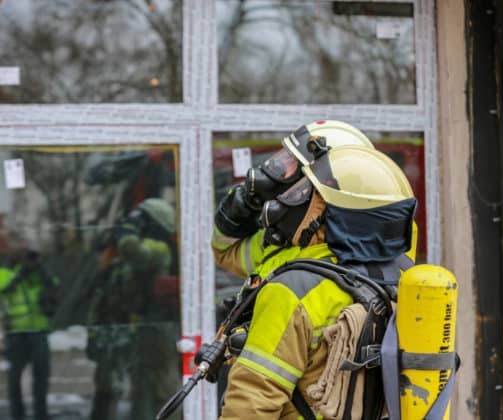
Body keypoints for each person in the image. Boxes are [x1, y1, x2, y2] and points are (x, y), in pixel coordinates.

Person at [207, 144, 417, 418]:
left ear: (334, 212)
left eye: (307, 194)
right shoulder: (406, 277)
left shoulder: (294, 290)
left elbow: (250, 405)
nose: (292, 201)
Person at [212, 120, 380, 279]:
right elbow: (226, 254)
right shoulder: (283, 238)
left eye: (290, 162)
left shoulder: (357, 269)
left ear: (320, 189)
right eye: (283, 158)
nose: (278, 168)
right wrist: (232, 221)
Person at [86, 197, 181, 420]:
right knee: (134, 390)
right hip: (133, 329)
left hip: (157, 327)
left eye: (140, 220)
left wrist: (127, 231)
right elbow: (103, 292)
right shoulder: (118, 255)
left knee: (162, 389)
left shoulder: (159, 248)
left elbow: (133, 251)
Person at [0, 247, 60, 420]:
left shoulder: (39, 274)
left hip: (39, 332)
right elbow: (3, 287)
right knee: (14, 379)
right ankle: (18, 415)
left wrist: (40, 269)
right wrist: (19, 272)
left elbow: (54, 286)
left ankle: (41, 415)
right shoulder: (6, 272)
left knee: (41, 377)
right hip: (16, 333)